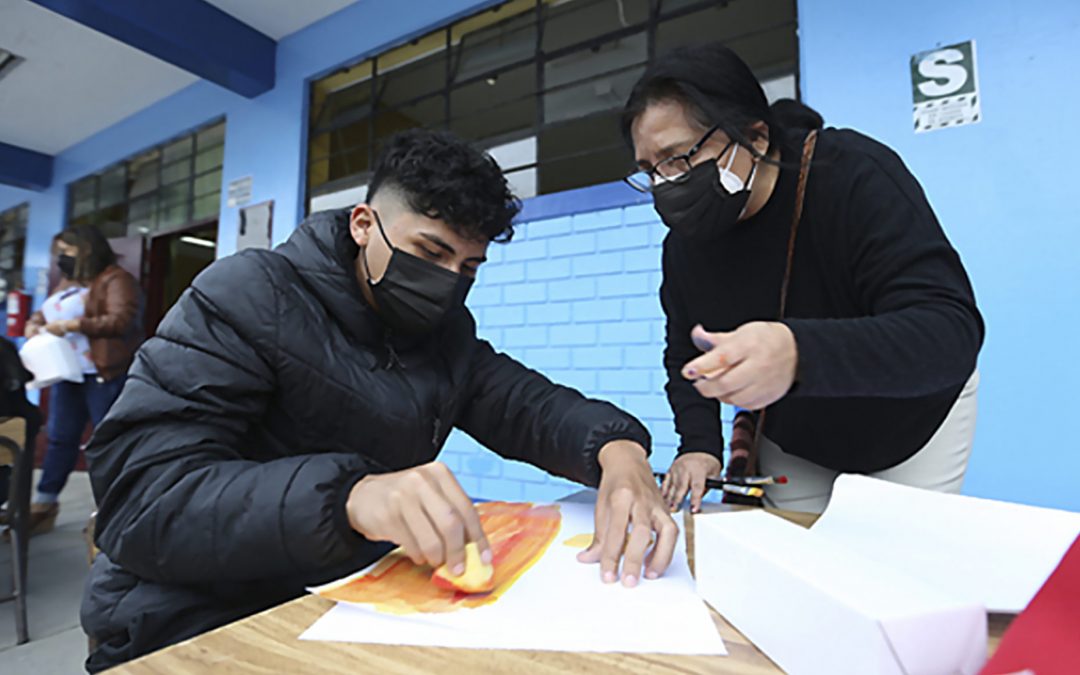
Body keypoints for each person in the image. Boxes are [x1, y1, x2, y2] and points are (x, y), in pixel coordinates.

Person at [81, 129, 677, 671]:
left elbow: (529, 407)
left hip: (341, 600)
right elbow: (140, 499)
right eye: (430, 252)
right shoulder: (249, 294)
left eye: (469, 266)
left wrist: (618, 449)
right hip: (192, 615)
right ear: (364, 223)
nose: (448, 281)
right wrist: (351, 497)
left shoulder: (444, 337)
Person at [621, 43, 983, 514]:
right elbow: (687, 356)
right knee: (794, 564)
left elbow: (948, 333)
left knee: (898, 574)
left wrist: (798, 354)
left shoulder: (850, 174)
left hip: (911, 427)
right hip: (797, 442)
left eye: (679, 158)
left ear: (754, 134)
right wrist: (700, 446)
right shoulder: (684, 247)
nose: (667, 184)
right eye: (650, 170)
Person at [21, 226, 140, 534]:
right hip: (66, 373)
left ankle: (112, 509)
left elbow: (120, 320)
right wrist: (33, 324)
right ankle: (45, 504)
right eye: (59, 253)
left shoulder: (115, 279)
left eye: (67, 252)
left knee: (107, 441)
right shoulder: (66, 282)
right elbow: (43, 314)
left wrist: (74, 324)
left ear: (87, 249)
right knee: (60, 438)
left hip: (102, 373)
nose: (62, 259)